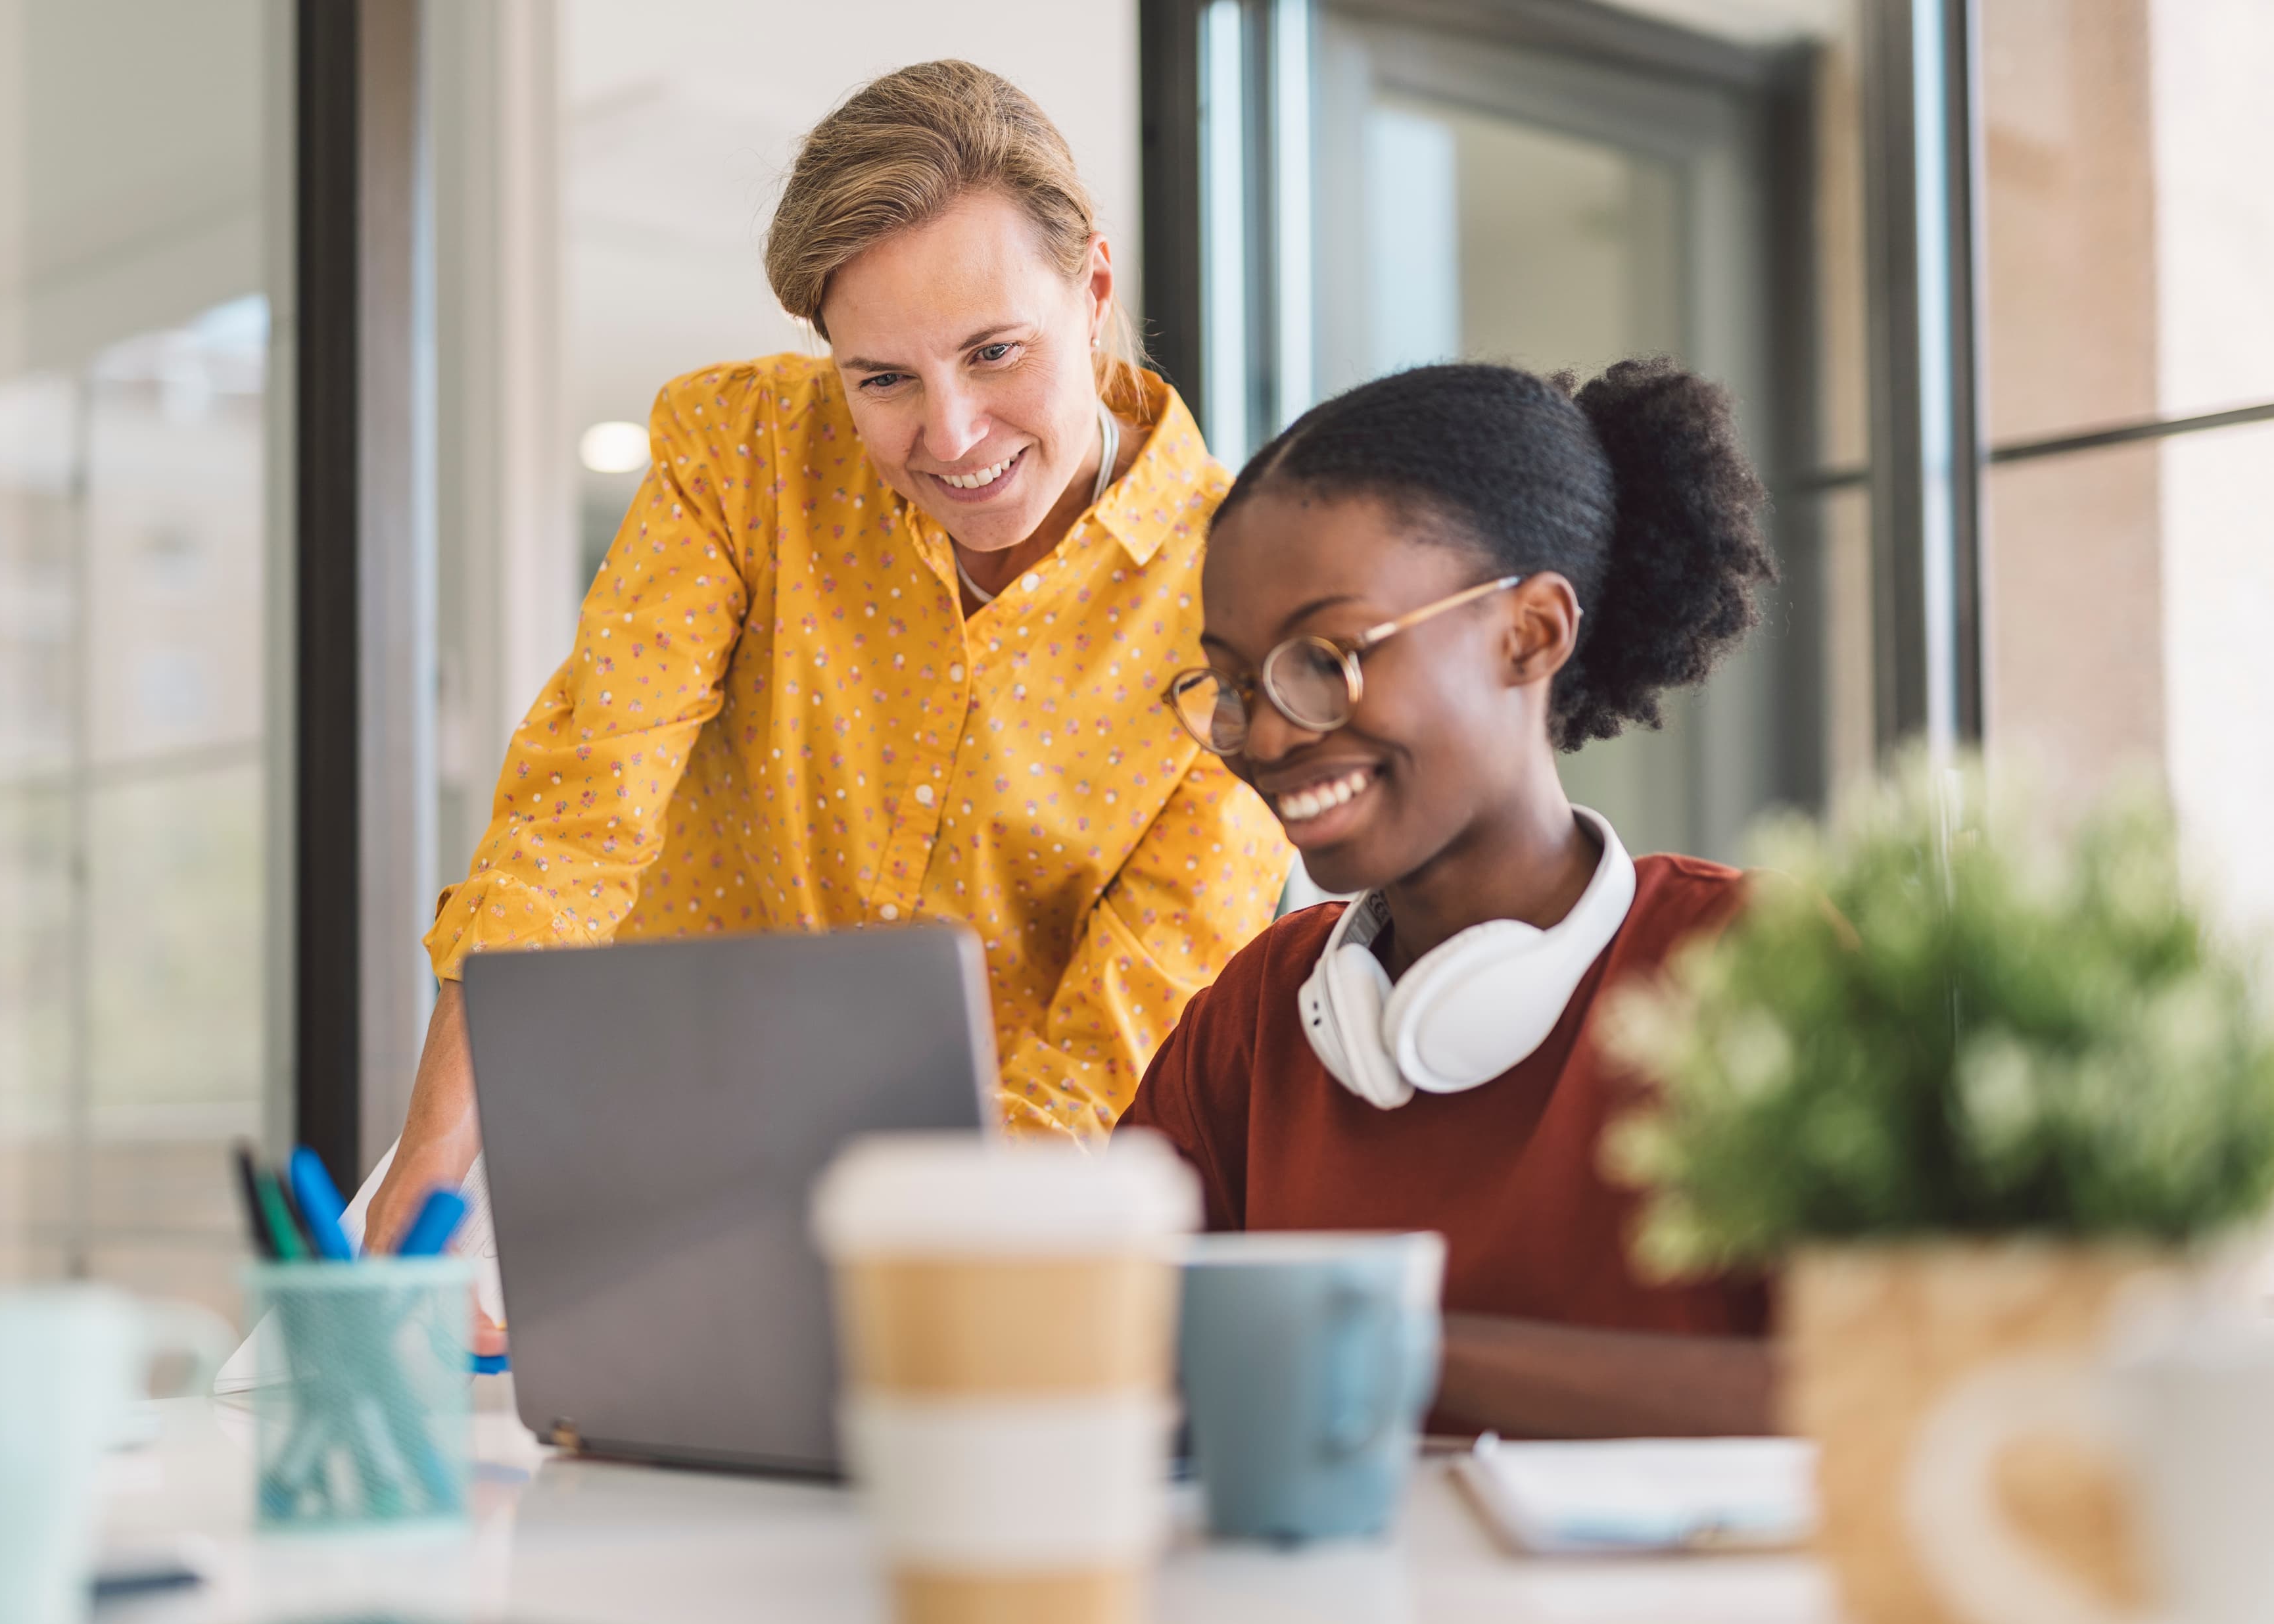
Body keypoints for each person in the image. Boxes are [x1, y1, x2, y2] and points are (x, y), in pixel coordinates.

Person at [363, 60, 1289, 1277]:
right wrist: (431, 1166)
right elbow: (580, 816)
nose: (952, 435)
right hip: (632, 1156)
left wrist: (907, 1282)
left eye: (996, 352)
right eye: (884, 379)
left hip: (979, 1221)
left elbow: (1120, 1023)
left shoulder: (1246, 588)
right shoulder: (742, 453)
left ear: (1095, 289)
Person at [1119, 358, 1781, 1439]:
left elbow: (1894, 1383)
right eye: (1234, 686)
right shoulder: (1254, 1016)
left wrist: (1394, 1355)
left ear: (1532, 633)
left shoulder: (1754, 969)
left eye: (1325, 659)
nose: (1269, 736)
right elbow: (1111, 1339)